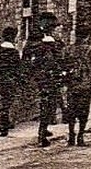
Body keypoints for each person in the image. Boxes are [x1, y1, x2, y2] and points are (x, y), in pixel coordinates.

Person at [24, 12, 66, 148]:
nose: (53, 29)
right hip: (43, 76)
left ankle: (45, 128)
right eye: (51, 26)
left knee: (51, 104)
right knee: (46, 104)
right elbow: (30, 54)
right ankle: (42, 134)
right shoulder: (36, 37)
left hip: (51, 75)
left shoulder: (47, 38)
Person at [0, 26, 23, 136]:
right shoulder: (13, 52)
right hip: (10, 80)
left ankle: (3, 123)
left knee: (1, 103)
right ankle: (5, 125)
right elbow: (18, 68)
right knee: (7, 103)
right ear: (12, 37)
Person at [63, 38, 91, 147]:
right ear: (86, 37)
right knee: (84, 111)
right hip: (85, 86)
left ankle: (71, 136)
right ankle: (80, 137)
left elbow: (63, 65)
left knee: (72, 110)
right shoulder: (90, 50)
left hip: (72, 86)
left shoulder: (68, 49)